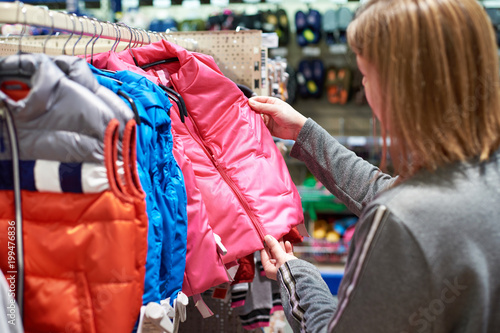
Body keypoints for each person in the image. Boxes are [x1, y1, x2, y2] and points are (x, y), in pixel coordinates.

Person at [248, 0, 500, 332]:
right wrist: (303, 132)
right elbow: (386, 190)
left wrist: (295, 273)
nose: (363, 87)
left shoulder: (398, 220)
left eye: (366, 74)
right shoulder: (481, 174)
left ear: (406, 89)